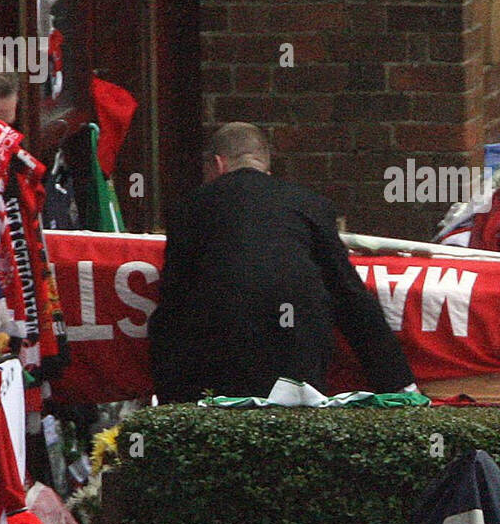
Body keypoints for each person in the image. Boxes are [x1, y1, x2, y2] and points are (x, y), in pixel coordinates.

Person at [148, 123, 417, 402]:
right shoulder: (309, 204)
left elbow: (174, 299)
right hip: (297, 348)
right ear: (266, 168)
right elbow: (350, 296)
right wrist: (399, 383)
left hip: (218, 353)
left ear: (218, 163)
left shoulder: (189, 206)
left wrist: (170, 396)